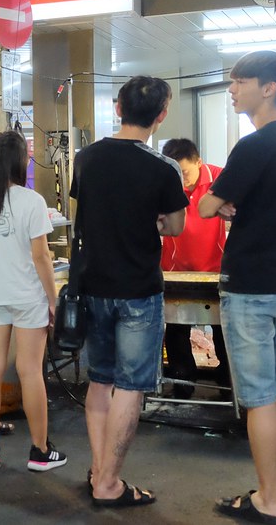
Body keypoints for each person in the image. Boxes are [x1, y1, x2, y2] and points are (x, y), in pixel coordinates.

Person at [198, 51, 276, 522]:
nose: (231, 89)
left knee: (258, 397)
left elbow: (207, 206)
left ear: (267, 88)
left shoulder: (256, 143)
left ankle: (268, 500)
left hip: (252, 284)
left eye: (239, 81)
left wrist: (221, 203)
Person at [72, 76, 187, 506]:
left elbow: (87, 214)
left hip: (94, 287)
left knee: (100, 381)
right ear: (160, 116)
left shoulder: (85, 158)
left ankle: (99, 472)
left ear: (118, 107)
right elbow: (175, 226)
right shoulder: (164, 167)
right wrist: (154, 221)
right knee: (130, 386)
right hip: (139, 288)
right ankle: (108, 483)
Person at [0, 131, 66, 473]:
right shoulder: (30, 201)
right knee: (29, 371)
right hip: (27, 297)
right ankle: (39, 451)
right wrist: (53, 301)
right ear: (20, 161)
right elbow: (41, 257)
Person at [159, 138, 230, 398]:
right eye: (176, 174)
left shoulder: (219, 178)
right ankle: (182, 384)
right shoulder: (165, 180)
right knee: (177, 331)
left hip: (214, 270)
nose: (182, 180)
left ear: (198, 162)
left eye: (186, 173)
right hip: (174, 271)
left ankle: (226, 384)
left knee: (223, 331)